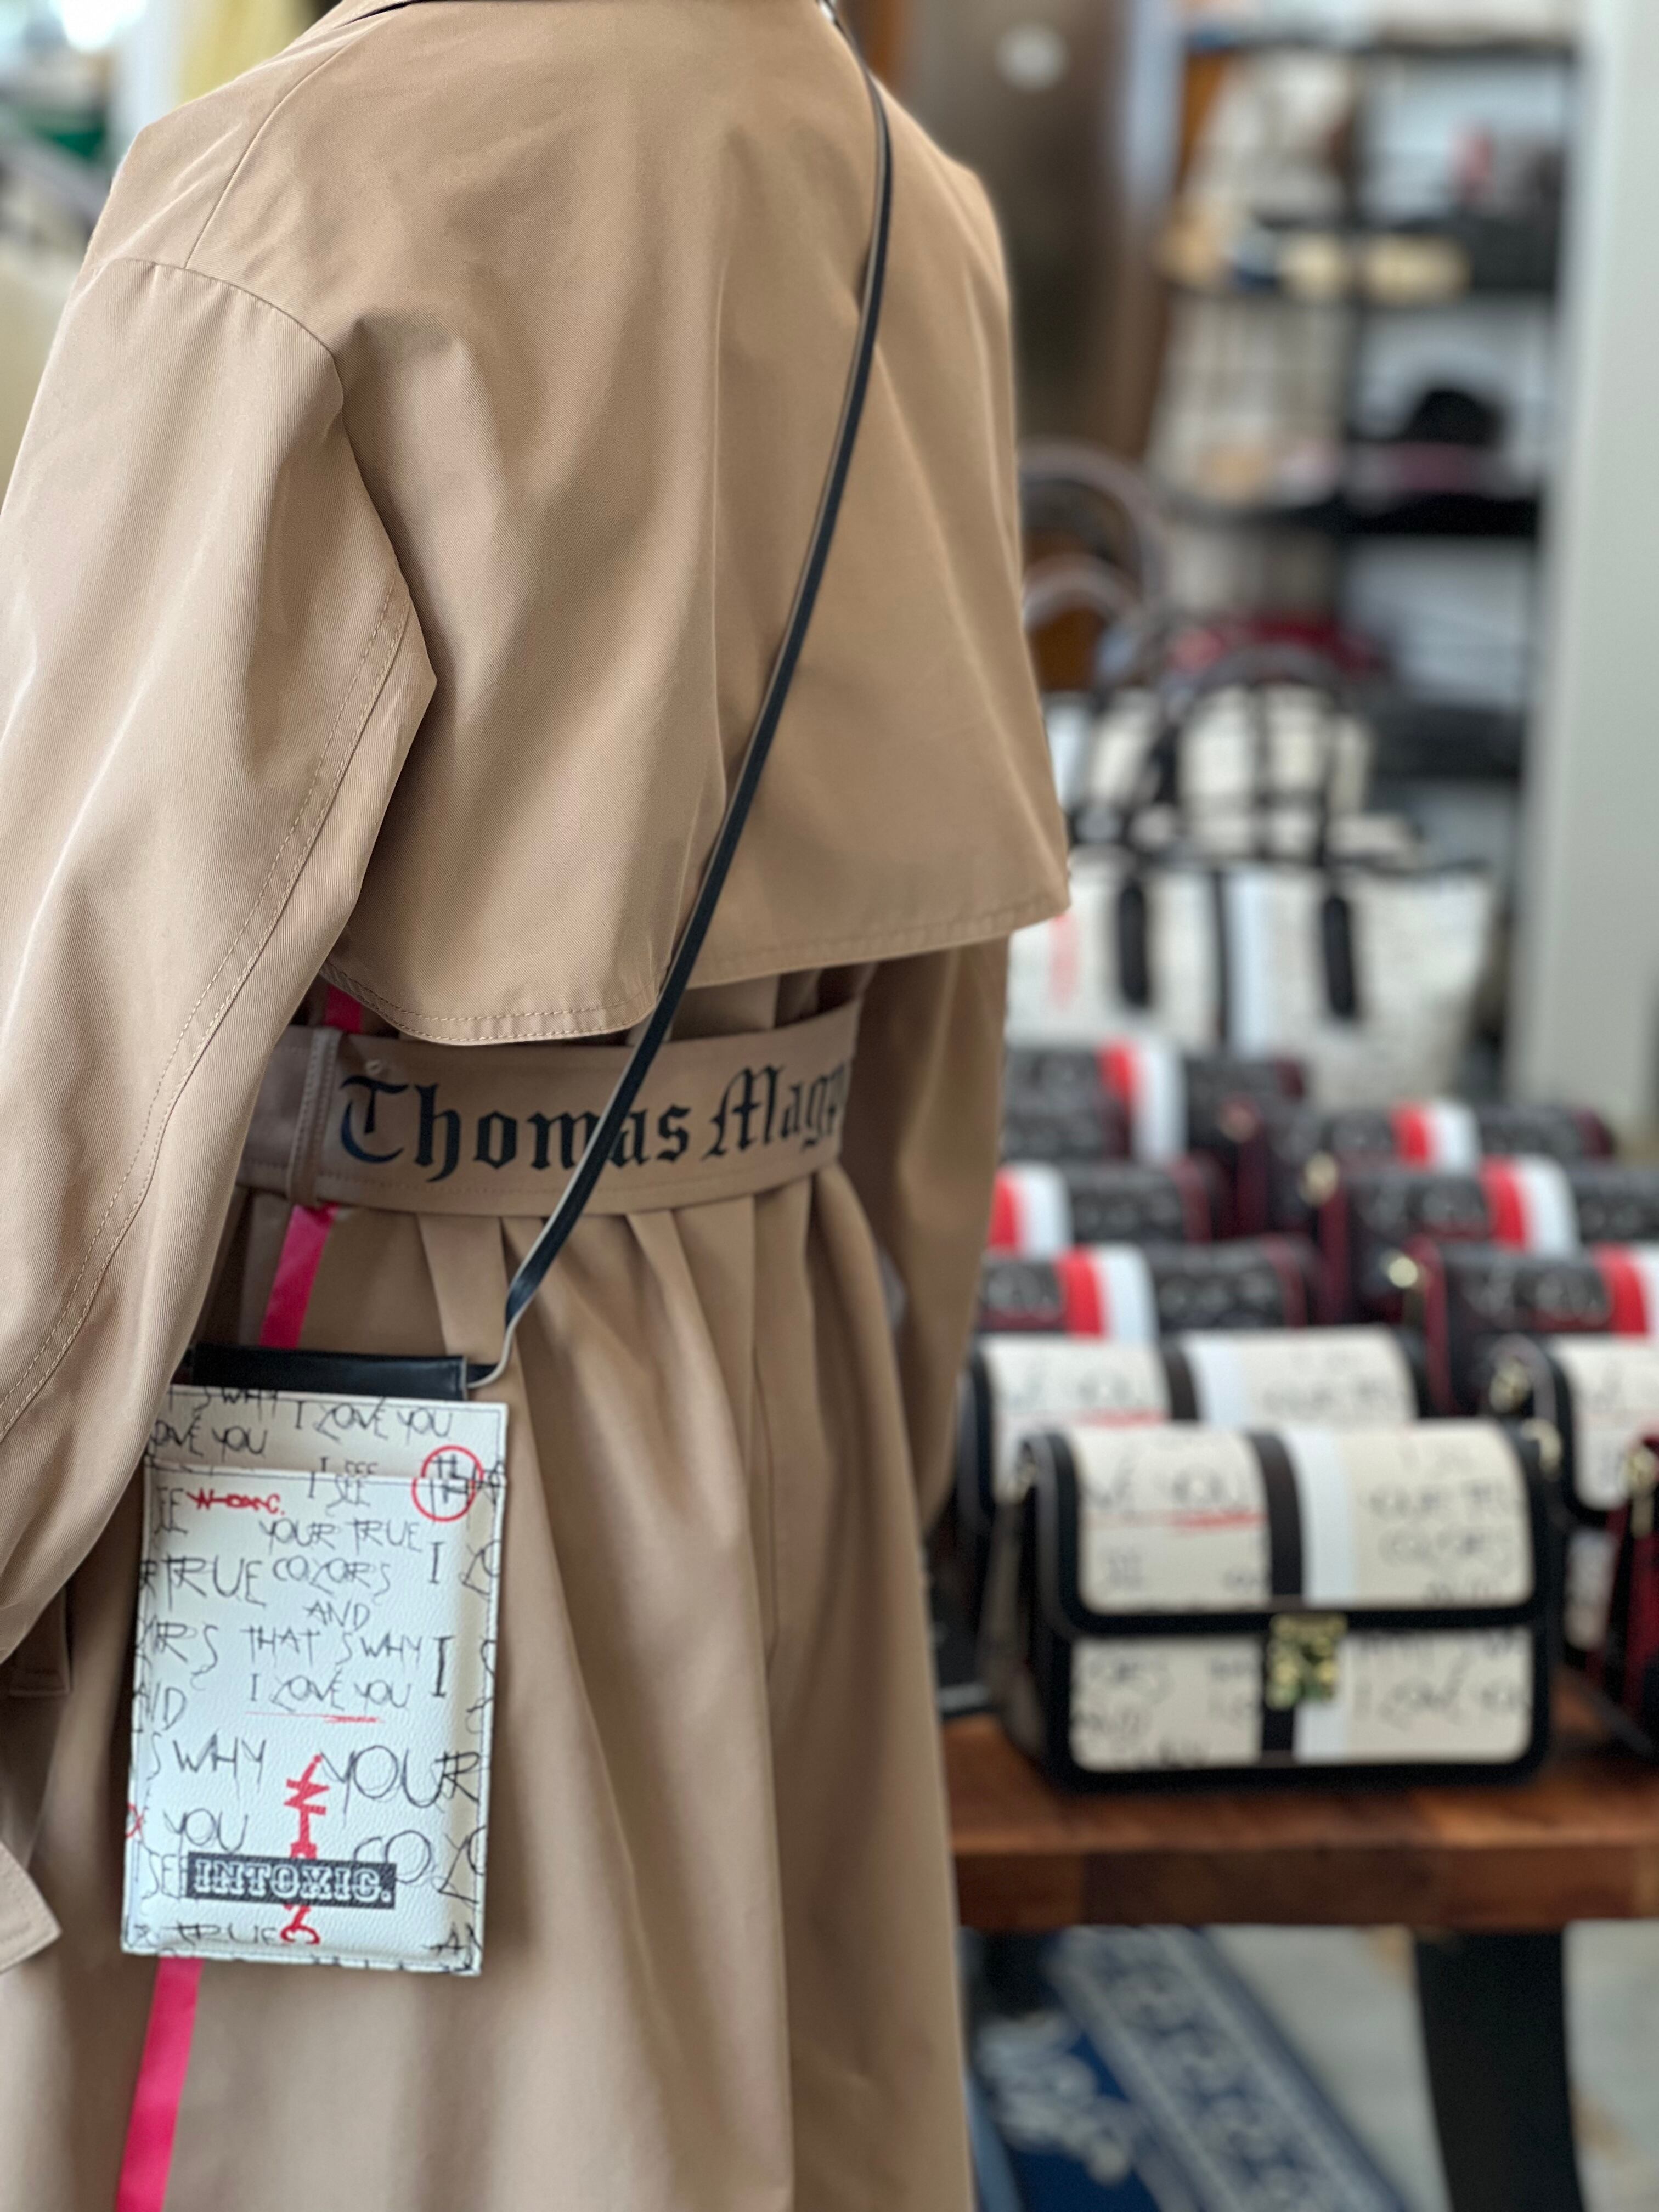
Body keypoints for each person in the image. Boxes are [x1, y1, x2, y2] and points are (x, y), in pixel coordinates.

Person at [0, 2, 1066, 2207]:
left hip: (351, 1384)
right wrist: (883, 1466)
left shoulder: (291, 189)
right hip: (769, 1374)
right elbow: (936, 1029)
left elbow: (93, 1028)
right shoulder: (910, 200)